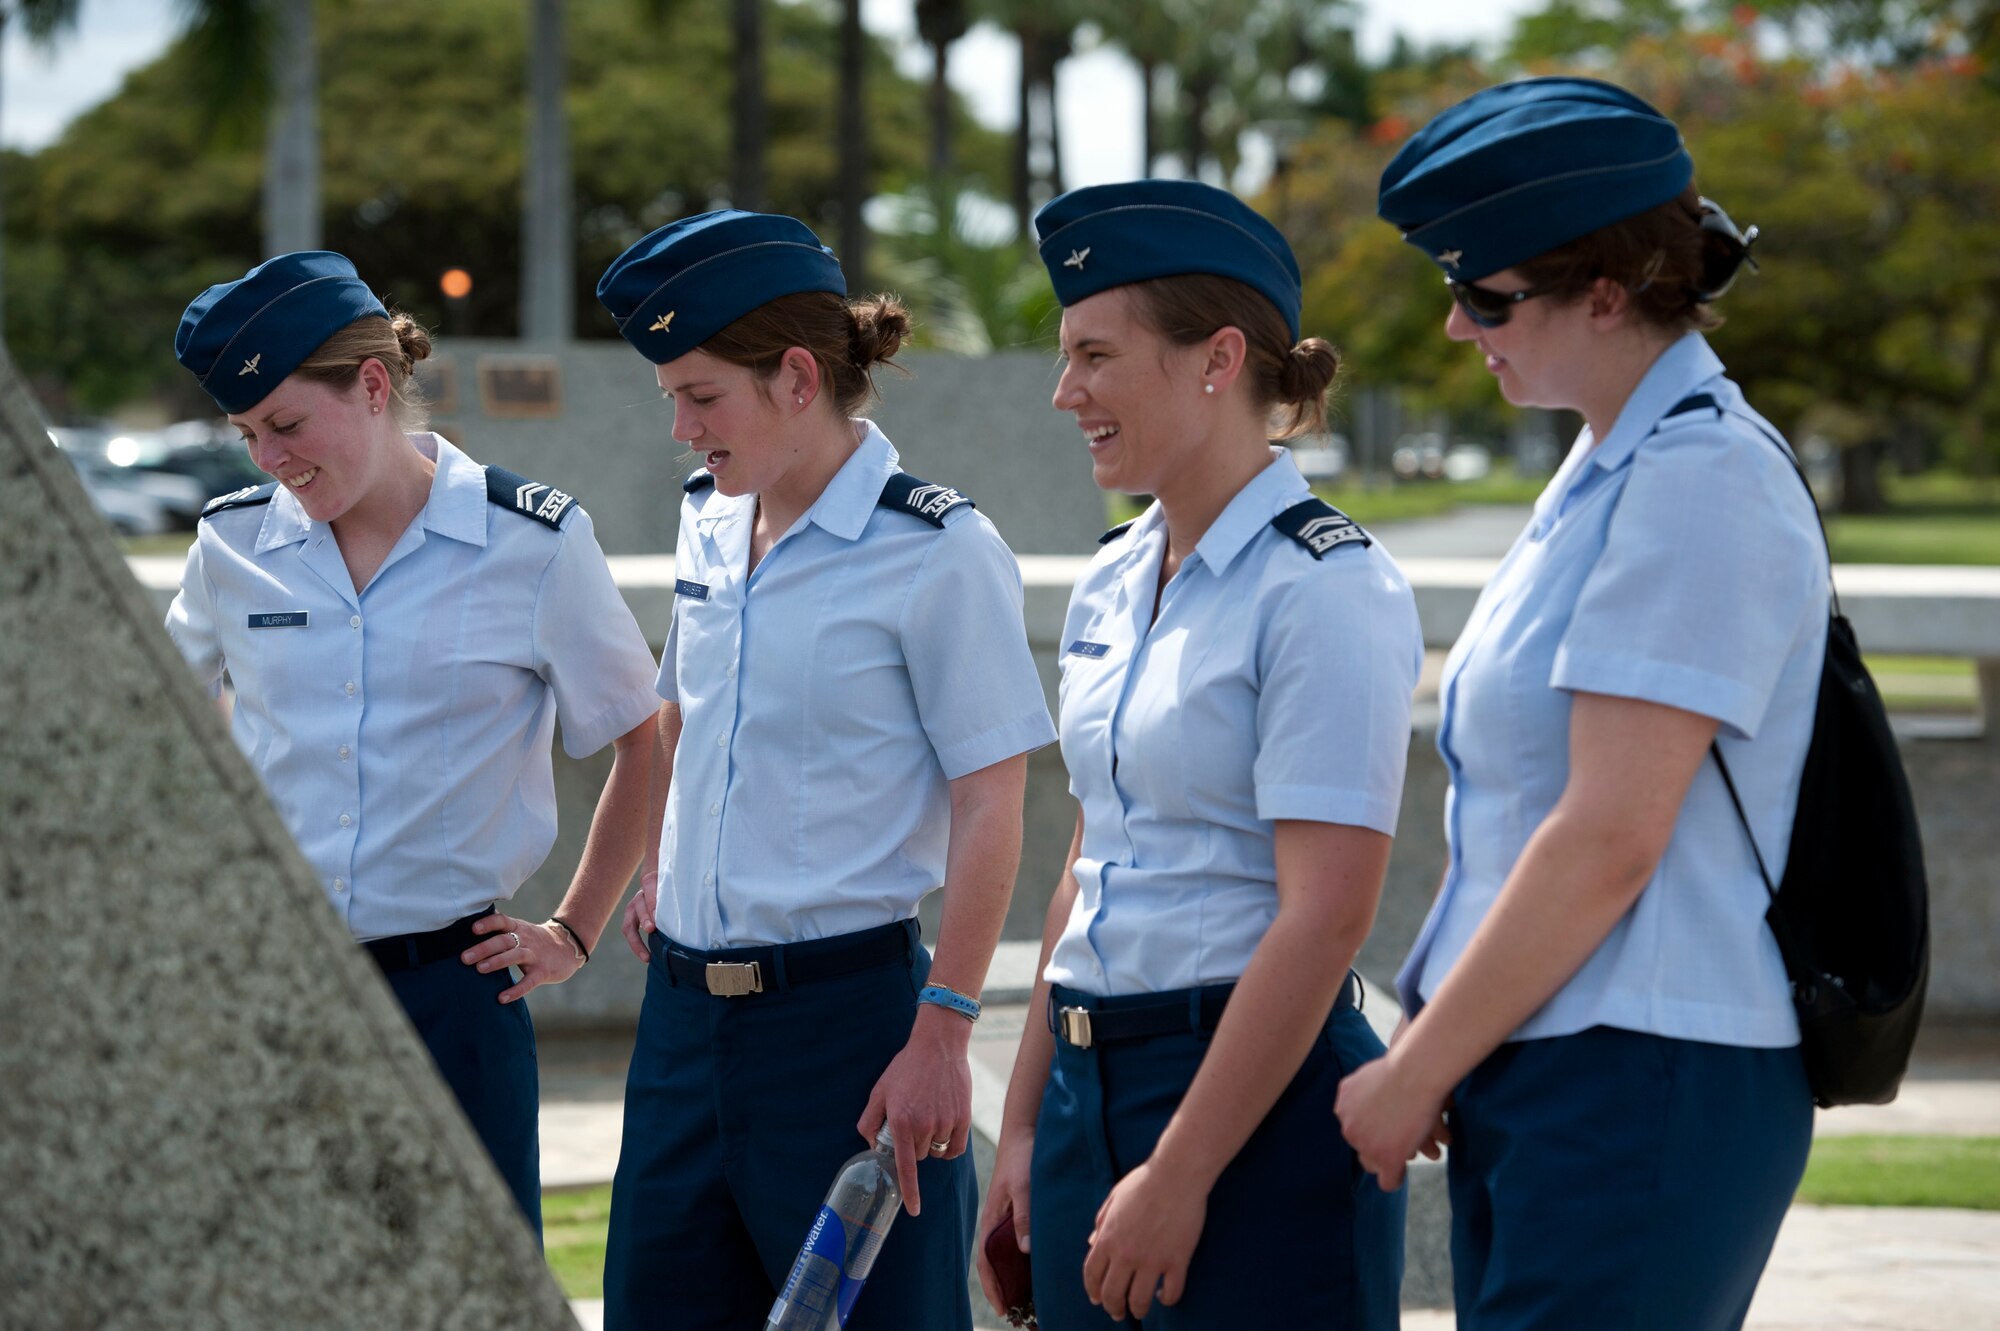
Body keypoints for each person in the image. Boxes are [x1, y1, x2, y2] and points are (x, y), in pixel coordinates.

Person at [1334, 77, 1824, 1330]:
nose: (1455, 326)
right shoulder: (1613, 464)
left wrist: (1415, 1064)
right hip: (1563, 1062)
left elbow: (1608, 835)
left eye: (1485, 296)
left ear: (1606, 291)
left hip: (1641, 1069)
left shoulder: (1696, 476)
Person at [592, 209, 1056, 1331]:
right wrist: (664, 868)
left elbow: (993, 796)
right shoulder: (710, 519)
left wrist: (944, 1027)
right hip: (682, 1030)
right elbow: (682, 714)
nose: (678, 427)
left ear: (797, 376)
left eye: (700, 395)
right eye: (669, 396)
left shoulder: (937, 549)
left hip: (848, 1031)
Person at [975, 179, 1422, 1329]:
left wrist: (1180, 1171)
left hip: (1251, 1110)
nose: (1064, 391)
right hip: (1086, 1088)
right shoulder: (1115, 576)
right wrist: (1025, 1124)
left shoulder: (1323, 586)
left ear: (1218, 359)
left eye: (1095, 355)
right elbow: (1090, 860)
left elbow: (1323, 915)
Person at [165, 250, 661, 1236]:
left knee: (475, 1283)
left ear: (376, 383)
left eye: (289, 423)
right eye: (248, 432)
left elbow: (642, 741)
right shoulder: (229, 545)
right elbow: (151, 727)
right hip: (281, 989)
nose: (268, 457)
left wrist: (572, 927)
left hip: (455, 997)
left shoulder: (532, 541)